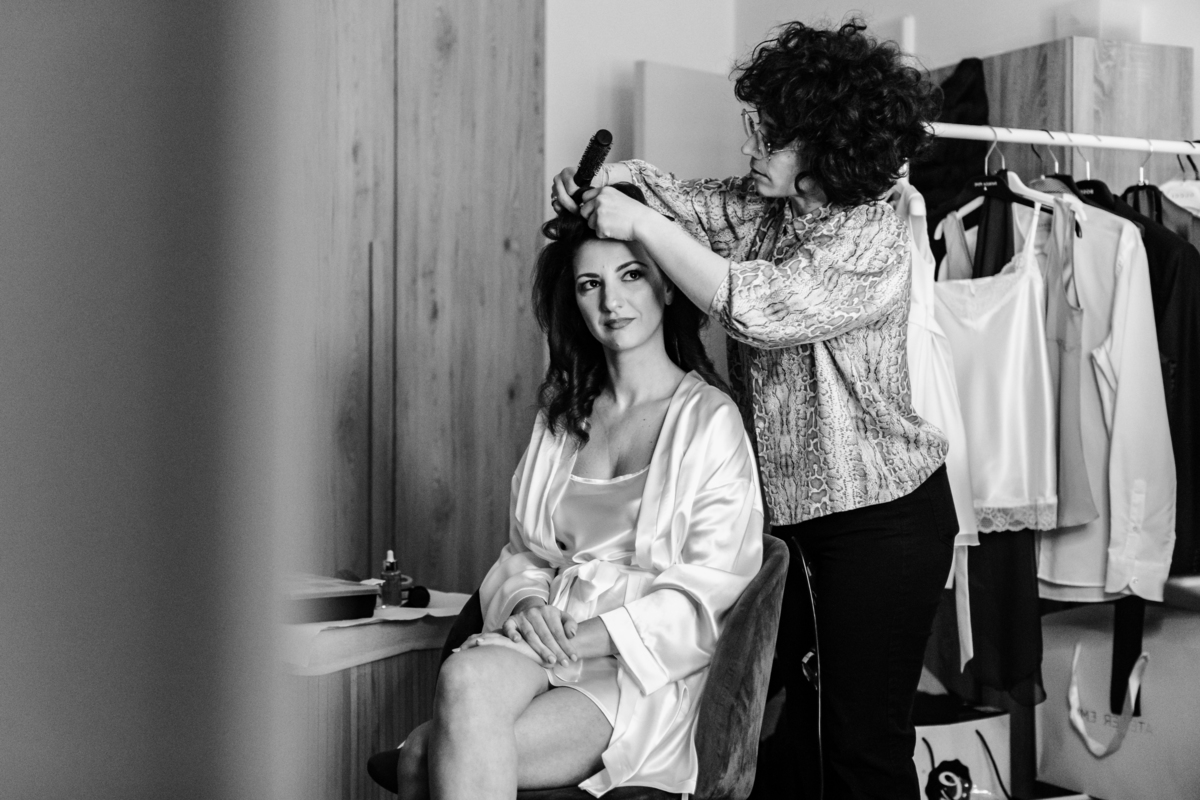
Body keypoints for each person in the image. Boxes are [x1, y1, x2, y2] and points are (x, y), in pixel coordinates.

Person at [552, 19, 958, 800]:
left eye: (768, 137)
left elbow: (756, 307)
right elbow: (686, 204)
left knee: (860, 752)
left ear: (824, 146)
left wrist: (639, 223)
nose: (750, 147)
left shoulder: (873, 236)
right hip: (787, 525)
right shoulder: (766, 207)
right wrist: (611, 184)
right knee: (779, 737)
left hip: (881, 524)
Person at [393, 184, 764, 799]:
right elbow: (526, 554)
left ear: (668, 286)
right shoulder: (562, 418)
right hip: (548, 635)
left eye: (631, 275)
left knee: (423, 757)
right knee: (462, 681)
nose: (612, 302)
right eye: (591, 285)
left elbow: (710, 594)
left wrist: (579, 636)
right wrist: (527, 608)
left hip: (639, 666)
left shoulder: (709, 421)